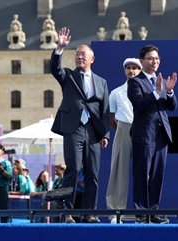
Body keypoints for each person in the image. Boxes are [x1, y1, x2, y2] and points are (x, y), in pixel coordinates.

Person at [50, 27, 110, 223]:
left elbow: (105, 110)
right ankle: (67, 213)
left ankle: (89, 213)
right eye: (76, 55)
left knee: (92, 173)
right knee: (73, 169)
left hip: (93, 131)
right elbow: (54, 69)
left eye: (83, 54)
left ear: (92, 58)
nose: (79, 57)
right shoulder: (68, 76)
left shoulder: (101, 82)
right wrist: (59, 48)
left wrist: (105, 134)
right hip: (73, 128)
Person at [127, 45, 178, 224]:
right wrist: (156, 92)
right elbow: (138, 104)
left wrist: (169, 91)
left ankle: (153, 211)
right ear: (142, 61)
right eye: (150, 58)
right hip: (144, 134)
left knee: (157, 174)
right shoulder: (135, 81)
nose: (154, 61)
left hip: (161, 134)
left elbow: (171, 107)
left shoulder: (162, 81)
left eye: (157, 58)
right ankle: (141, 213)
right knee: (142, 173)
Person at [106, 58, 142, 224]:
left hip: (143, 130)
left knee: (143, 172)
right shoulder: (117, 92)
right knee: (119, 171)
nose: (131, 71)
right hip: (123, 129)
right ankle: (115, 212)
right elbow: (110, 116)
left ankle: (143, 213)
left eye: (135, 68)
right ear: (124, 71)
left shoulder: (147, 91)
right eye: (128, 68)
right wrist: (121, 130)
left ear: (140, 71)